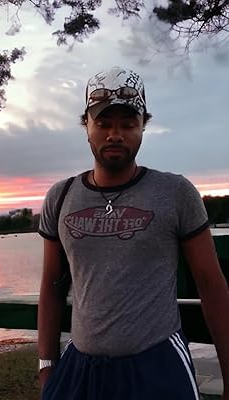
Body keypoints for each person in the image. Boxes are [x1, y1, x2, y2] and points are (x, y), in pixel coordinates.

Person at [37, 66, 229, 400]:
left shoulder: (175, 193)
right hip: (80, 369)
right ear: (86, 126)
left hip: (158, 365)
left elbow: (211, 286)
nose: (115, 134)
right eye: (103, 123)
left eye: (128, 124)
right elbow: (52, 287)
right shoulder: (61, 197)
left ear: (143, 127)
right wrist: (46, 366)